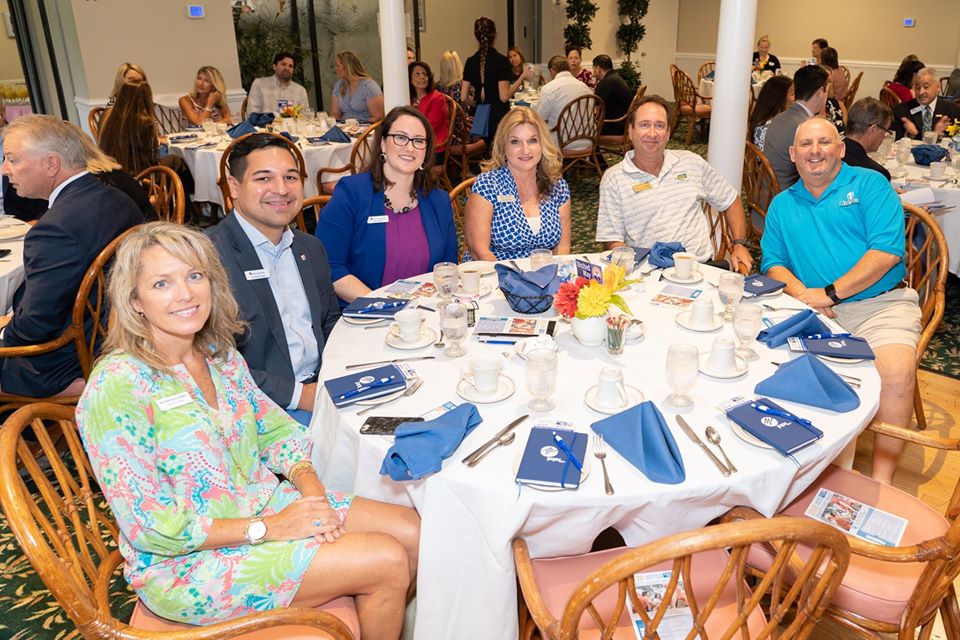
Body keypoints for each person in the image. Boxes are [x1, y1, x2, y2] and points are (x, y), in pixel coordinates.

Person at [76, 222, 420, 638]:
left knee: (413, 532)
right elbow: (150, 526)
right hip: (187, 563)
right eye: (162, 283)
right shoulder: (117, 387)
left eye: (195, 275)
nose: (185, 294)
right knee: (385, 558)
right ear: (135, 303)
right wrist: (272, 529)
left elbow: (277, 433)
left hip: (263, 504)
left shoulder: (218, 354)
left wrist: (313, 500)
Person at [761, 117, 920, 485]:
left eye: (824, 142)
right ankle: (812, 473)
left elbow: (886, 252)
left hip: (880, 306)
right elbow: (773, 265)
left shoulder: (870, 185)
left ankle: (882, 480)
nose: (815, 151)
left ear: (841, 148)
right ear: (792, 154)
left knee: (896, 374)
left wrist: (829, 293)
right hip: (812, 310)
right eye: (805, 145)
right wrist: (807, 297)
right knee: (768, 368)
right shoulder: (783, 205)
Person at [0, 115, 143, 397]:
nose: (4, 170)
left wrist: (6, 334)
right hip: (116, 335)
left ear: (51, 164)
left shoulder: (54, 229)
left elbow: (36, 326)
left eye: (12, 159)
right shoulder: (115, 198)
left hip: (69, 360)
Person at [206, 134, 340, 426]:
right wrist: (300, 396)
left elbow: (329, 320)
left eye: (291, 177)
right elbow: (213, 363)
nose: (281, 189)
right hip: (259, 410)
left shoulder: (310, 248)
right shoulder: (208, 258)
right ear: (234, 187)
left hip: (323, 386)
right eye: (264, 179)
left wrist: (339, 375)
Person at [316, 106, 457, 304]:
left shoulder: (439, 201)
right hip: (363, 315)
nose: (409, 148)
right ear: (382, 143)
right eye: (400, 137)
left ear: (426, 153)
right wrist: (383, 306)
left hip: (423, 315)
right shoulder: (351, 193)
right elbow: (331, 266)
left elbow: (448, 268)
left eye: (418, 141)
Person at [596, 95, 752, 272]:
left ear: (668, 133)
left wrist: (740, 244)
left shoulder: (691, 162)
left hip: (700, 268)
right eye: (644, 125)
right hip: (649, 272)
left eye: (660, 125)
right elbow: (612, 239)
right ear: (631, 131)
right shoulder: (614, 178)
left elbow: (731, 200)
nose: (652, 133)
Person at [463, 107, 570, 261]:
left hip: (543, 276)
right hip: (494, 277)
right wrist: (516, 282)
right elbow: (480, 253)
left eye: (532, 140)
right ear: (503, 146)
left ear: (543, 144)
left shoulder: (558, 187)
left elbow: (563, 248)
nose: (525, 150)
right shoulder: (488, 186)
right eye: (515, 142)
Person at [764, 64, 829, 189]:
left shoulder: (780, 117)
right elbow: (817, 173)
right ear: (820, 92)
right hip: (785, 195)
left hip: (767, 190)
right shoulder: (804, 127)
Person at [461, 17, 513, 142]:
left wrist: (478, 102)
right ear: (495, 35)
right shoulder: (502, 61)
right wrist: (522, 78)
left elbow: (463, 98)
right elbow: (504, 96)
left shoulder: (470, 61)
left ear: (476, 36)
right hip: (498, 116)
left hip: (479, 116)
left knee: (484, 151)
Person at [536, 55, 591, 146]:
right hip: (587, 139)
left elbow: (540, 119)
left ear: (552, 71)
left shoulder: (549, 89)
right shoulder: (584, 87)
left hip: (561, 141)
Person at [893, 67, 960, 141]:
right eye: (918, 88)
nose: (921, 92)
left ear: (938, 87)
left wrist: (940, 136)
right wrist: (908, 135)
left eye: (926, 87)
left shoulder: (952, 110)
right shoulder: (902, 110)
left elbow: (957, 141)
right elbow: (893, 141)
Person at [843, 98, 893, 181]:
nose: (884, 136)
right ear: (873, 129)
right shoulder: (876, 174)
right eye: (885, 130)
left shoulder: (829, 157)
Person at [330, 50, 385, 123]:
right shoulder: (338, 85)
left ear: (347, 67)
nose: (336, 69)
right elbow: (335, 113)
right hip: (344, 128)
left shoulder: (368, 86)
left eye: (338, 66)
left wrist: (358, 126)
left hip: (365, 129)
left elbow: (378, 117)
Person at [409, 61, 449, 158]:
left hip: (434, 147)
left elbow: (430, 127)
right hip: (413, 144)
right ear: (410, 80)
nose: (422, 77)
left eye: (424, 74)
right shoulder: (409, 98)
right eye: (417, 74)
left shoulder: (437, 98)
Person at [749, 75, 793, 150]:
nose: (797, 98)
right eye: (792, 94)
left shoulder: (780, 121)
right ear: (779, 98)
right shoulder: (768, 127)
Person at [593, 54, 633, 136]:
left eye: (593, 68)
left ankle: (590, 148)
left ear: (598, 68)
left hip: (614, 126)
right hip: (623, 123)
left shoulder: (606, 83)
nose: (593, 72)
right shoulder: (616, 78)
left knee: (584, 127)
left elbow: (597, 109)